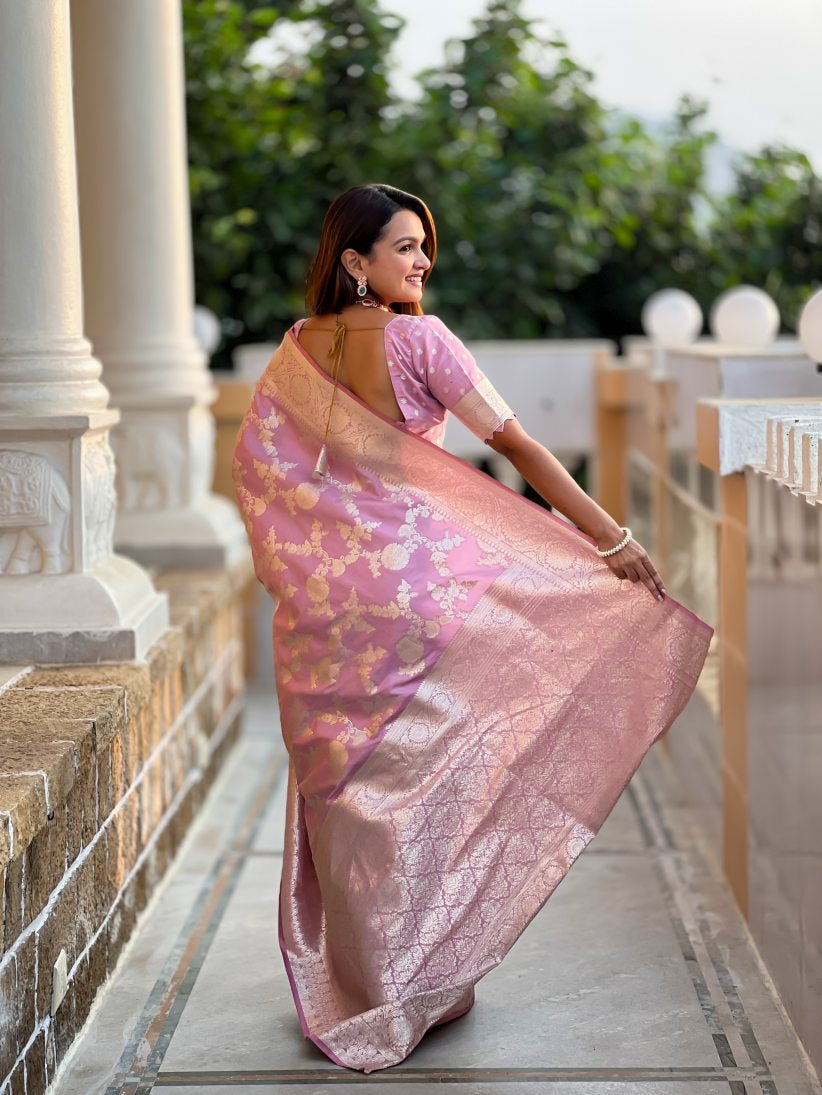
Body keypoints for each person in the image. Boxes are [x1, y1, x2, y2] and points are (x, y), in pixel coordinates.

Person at [232, 183, 712, 1073]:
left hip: (331, 608)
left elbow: (263, 475)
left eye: (424, 245)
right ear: (355, 261)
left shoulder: (298, 349)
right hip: (424, 596)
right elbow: (517, 445)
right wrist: (609, 537)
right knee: (427, 777)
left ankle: (371, 981)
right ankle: (420, 974)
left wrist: (303, 568)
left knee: (352, 793)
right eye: (404, 247)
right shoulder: (421, 341)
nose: (423, 261)